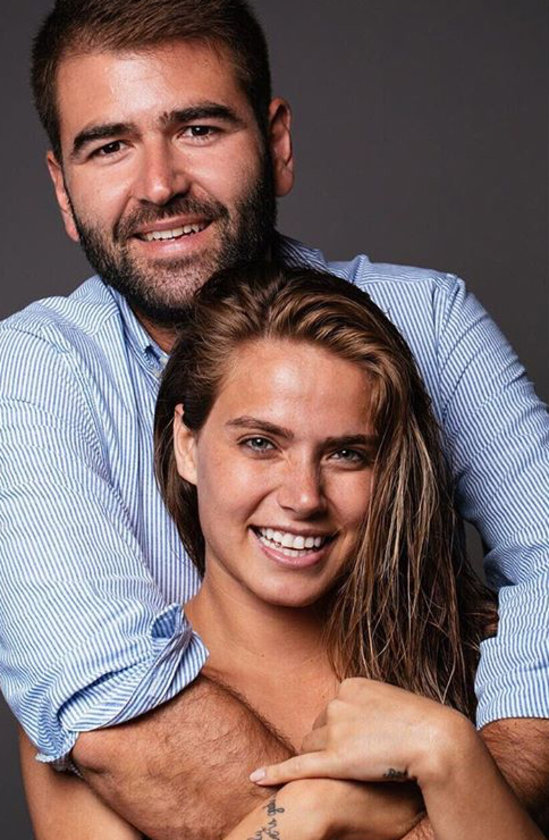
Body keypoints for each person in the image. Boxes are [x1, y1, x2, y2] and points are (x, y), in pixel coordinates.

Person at [2, 0, 548, 837]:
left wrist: (470, 771)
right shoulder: (32, 374)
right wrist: (386, 811)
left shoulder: (426, 321)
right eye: (109, 146)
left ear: (276, 142)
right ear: (63, 190)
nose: (159, 185)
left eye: (198, 129)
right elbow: (110, 713)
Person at [22, 263, 545, 840]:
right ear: (187, 445)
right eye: (260, 443)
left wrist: (448, 751)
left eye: (346, 454)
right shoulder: (91, 726)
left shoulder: (485, 667)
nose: (303, 497)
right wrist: (310, 810)